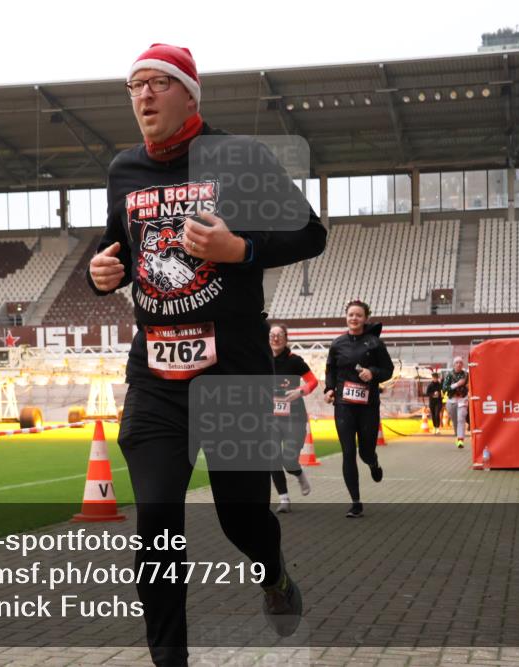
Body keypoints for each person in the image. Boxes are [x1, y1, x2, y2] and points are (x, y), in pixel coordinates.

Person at [87, 44, 326, 667]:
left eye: (157, 84)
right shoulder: (125, 170)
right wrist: (99, 272)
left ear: (189, 94)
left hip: (233, 374)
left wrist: (239, 249)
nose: (142, 96)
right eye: (134, 85)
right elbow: (115, 246)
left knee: (242, 519)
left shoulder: (238, 158)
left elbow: (310, 233)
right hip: (157, 376)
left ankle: (272, 572)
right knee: (156, 529)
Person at [324, 300, 394, 518]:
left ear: (365, 318)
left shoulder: (374, 343)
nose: (354, 318)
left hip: (367, 406)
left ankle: (373, 462)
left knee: (364, 451)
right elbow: (330, 370)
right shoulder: (337, 344)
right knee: (348, 452)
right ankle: (355, 502)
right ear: (346, 317)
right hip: (344, 405)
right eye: (351, 315)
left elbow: (388, 370)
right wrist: (328, 389)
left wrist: (372, 372)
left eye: (358, 315)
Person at [269, 324, 317, 513]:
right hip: (270, 418)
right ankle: (284, 499)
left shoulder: (295, 361)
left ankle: (298, 474)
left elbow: (312, 381)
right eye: (272, 335)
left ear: (286, 338)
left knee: (289, 461)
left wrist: (300, 391)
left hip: (294, 418)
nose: (275, 338)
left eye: (280, 335)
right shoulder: (261, 360)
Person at [442, 356, 469, 448]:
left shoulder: (466, 375)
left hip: (462, 399)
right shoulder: (449, 375)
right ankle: (458, 435)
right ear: (454, 364)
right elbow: (444, 388)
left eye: (460, 362)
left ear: (462, 365)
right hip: (451, 400)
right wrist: (457, 384)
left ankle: (460, 440)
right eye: (457, 362)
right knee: (455, 420)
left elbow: (470, 385)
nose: (459, 364)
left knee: (461, 419)